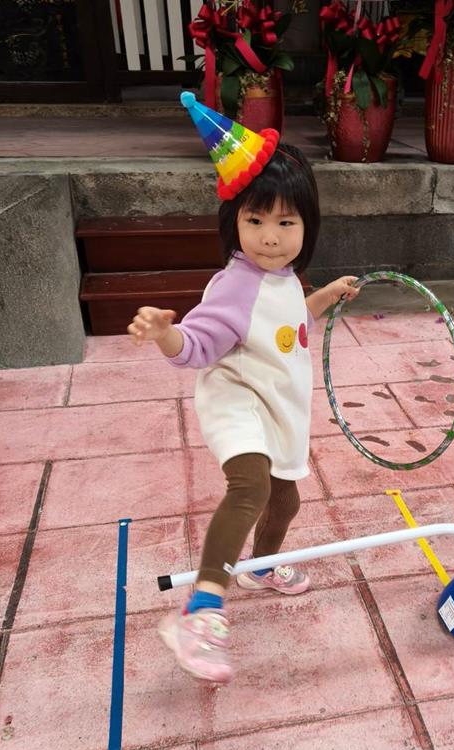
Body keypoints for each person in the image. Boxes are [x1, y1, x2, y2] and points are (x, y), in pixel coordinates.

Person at [128, 134, 358, 683]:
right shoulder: (235, 284)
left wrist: (325, 296)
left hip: (275, 405)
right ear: (234, 222)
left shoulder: (281, 276)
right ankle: (202, 610)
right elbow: (197, 346)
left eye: (285, 223)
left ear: (307, 227)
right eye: (255, 221)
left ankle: (261, 567)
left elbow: (286, 322)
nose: (269, 237)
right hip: (238, 402)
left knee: (286, 500)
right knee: (251, 487)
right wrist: (165, 335)